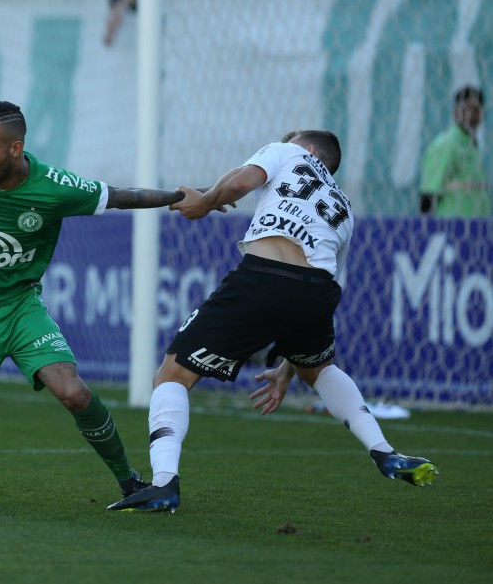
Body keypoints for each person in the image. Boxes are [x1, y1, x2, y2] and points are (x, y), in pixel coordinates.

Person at [108, 129, 438, 513]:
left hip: (264, 277)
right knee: (320, 370)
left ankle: (164, 484)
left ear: (309, 148)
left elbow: (239, 182)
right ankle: (385, 451)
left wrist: (205, 203)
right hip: (318, 291)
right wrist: (289, 365)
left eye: (291, 137)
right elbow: (320, 284)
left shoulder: (286, 152)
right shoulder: (344, 206)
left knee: (171, 375)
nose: (284, 139)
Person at [0, 100, 193, 499]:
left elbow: (121, 196)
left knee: (73, 392)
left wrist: (182, 196)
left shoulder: (55, 187)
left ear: (16, 149)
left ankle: (129, 480)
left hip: (19, 306)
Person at [419, 85, 489, 217]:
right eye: (465, 109)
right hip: (453, 227)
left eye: (476, 110)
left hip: (478, 227)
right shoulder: (446, 144)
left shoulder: (473, 147)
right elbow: (429, 194)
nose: (471, 115)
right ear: (455, 112)